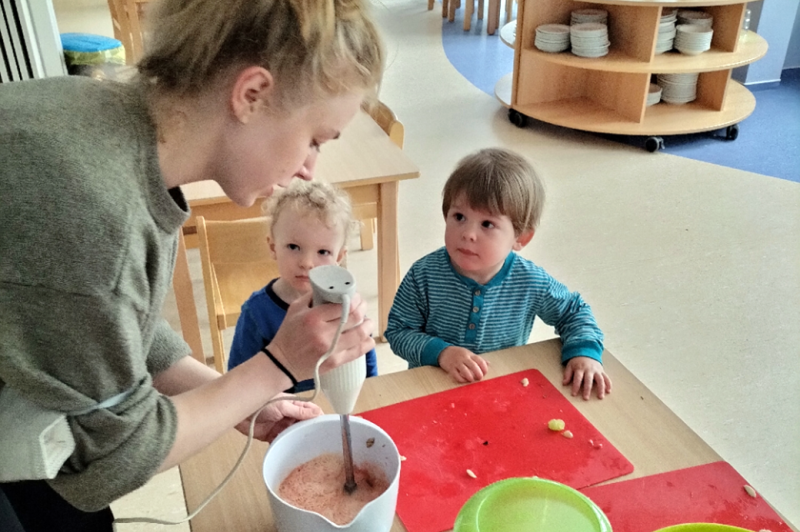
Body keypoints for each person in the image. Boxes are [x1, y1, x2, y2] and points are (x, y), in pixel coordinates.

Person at [0, 0, 383, 529]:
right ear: (252, 94)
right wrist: (274, 367)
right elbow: (110, 461)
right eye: (314, 140)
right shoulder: (92, 206)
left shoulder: (105, 122)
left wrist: (242, 400)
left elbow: (112, 319)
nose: (307, 170)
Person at [385, 148, 612, 400]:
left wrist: (584, 353)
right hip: (430, 389)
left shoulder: (530, 280)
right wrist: (442, 353)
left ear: (520, 238)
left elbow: (574, 312)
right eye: (459, 216)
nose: (468, 234)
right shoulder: (423, 275)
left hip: (500, 392)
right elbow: (398, 332)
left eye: (487, 224)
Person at [227, 179, 379, 389]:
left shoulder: (346, 307)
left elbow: (364, 359)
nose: (307, 263)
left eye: (323, 252)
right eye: (293, 247)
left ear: (339, 257)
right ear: (273, 247)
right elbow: (237, 380)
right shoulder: (256, 312)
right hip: (281, 408)